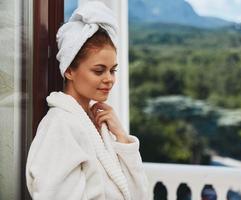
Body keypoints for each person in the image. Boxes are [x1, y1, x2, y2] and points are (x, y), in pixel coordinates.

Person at [25, 1, 149, 200]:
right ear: (69, 70)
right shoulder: (60, 125)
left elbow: (138, 195)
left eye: (112, 70)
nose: (109, 78)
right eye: (99, 70)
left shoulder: (97, 123)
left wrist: (122, 138)